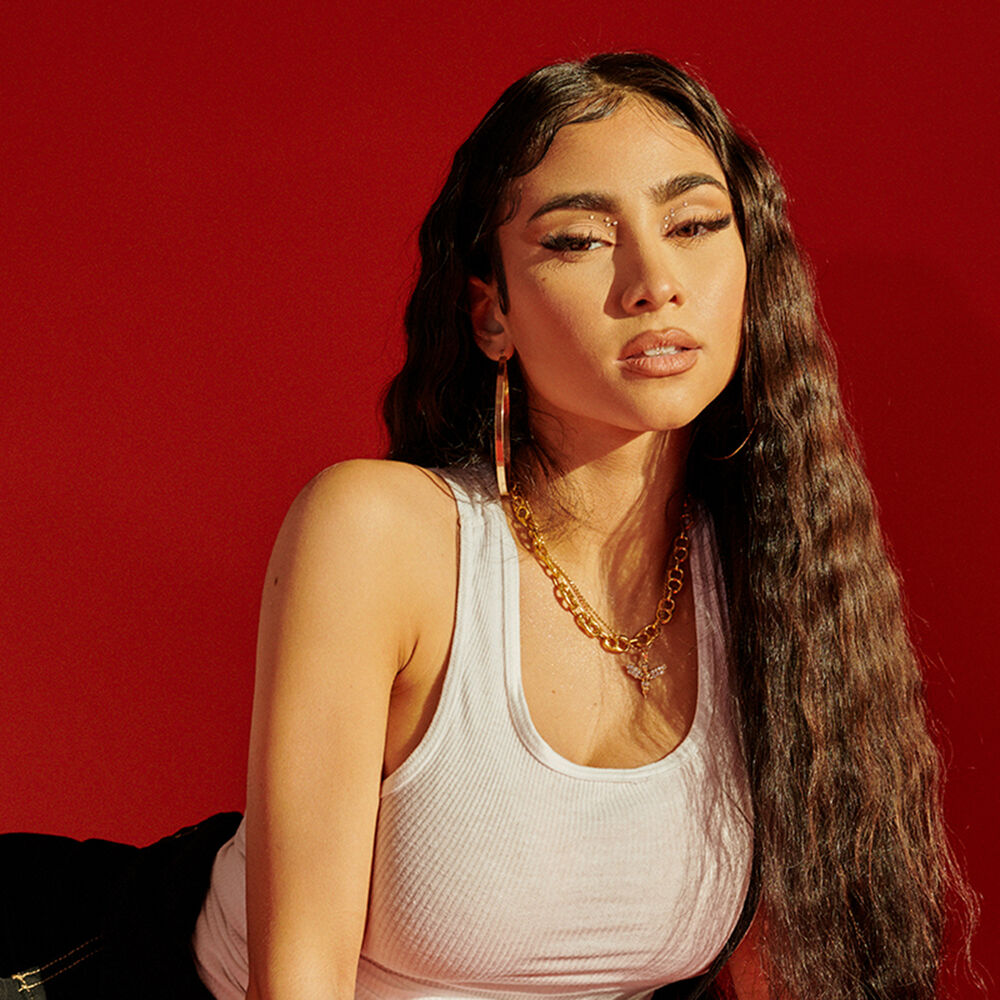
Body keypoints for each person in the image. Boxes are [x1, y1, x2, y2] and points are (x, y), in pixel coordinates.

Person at [0, 52, 976, 1000]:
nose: (653, 281)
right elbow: (294, 984)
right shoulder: (380, 534)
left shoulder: (776, 573)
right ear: (491, 316)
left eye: (692, 224)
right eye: (578, 239)